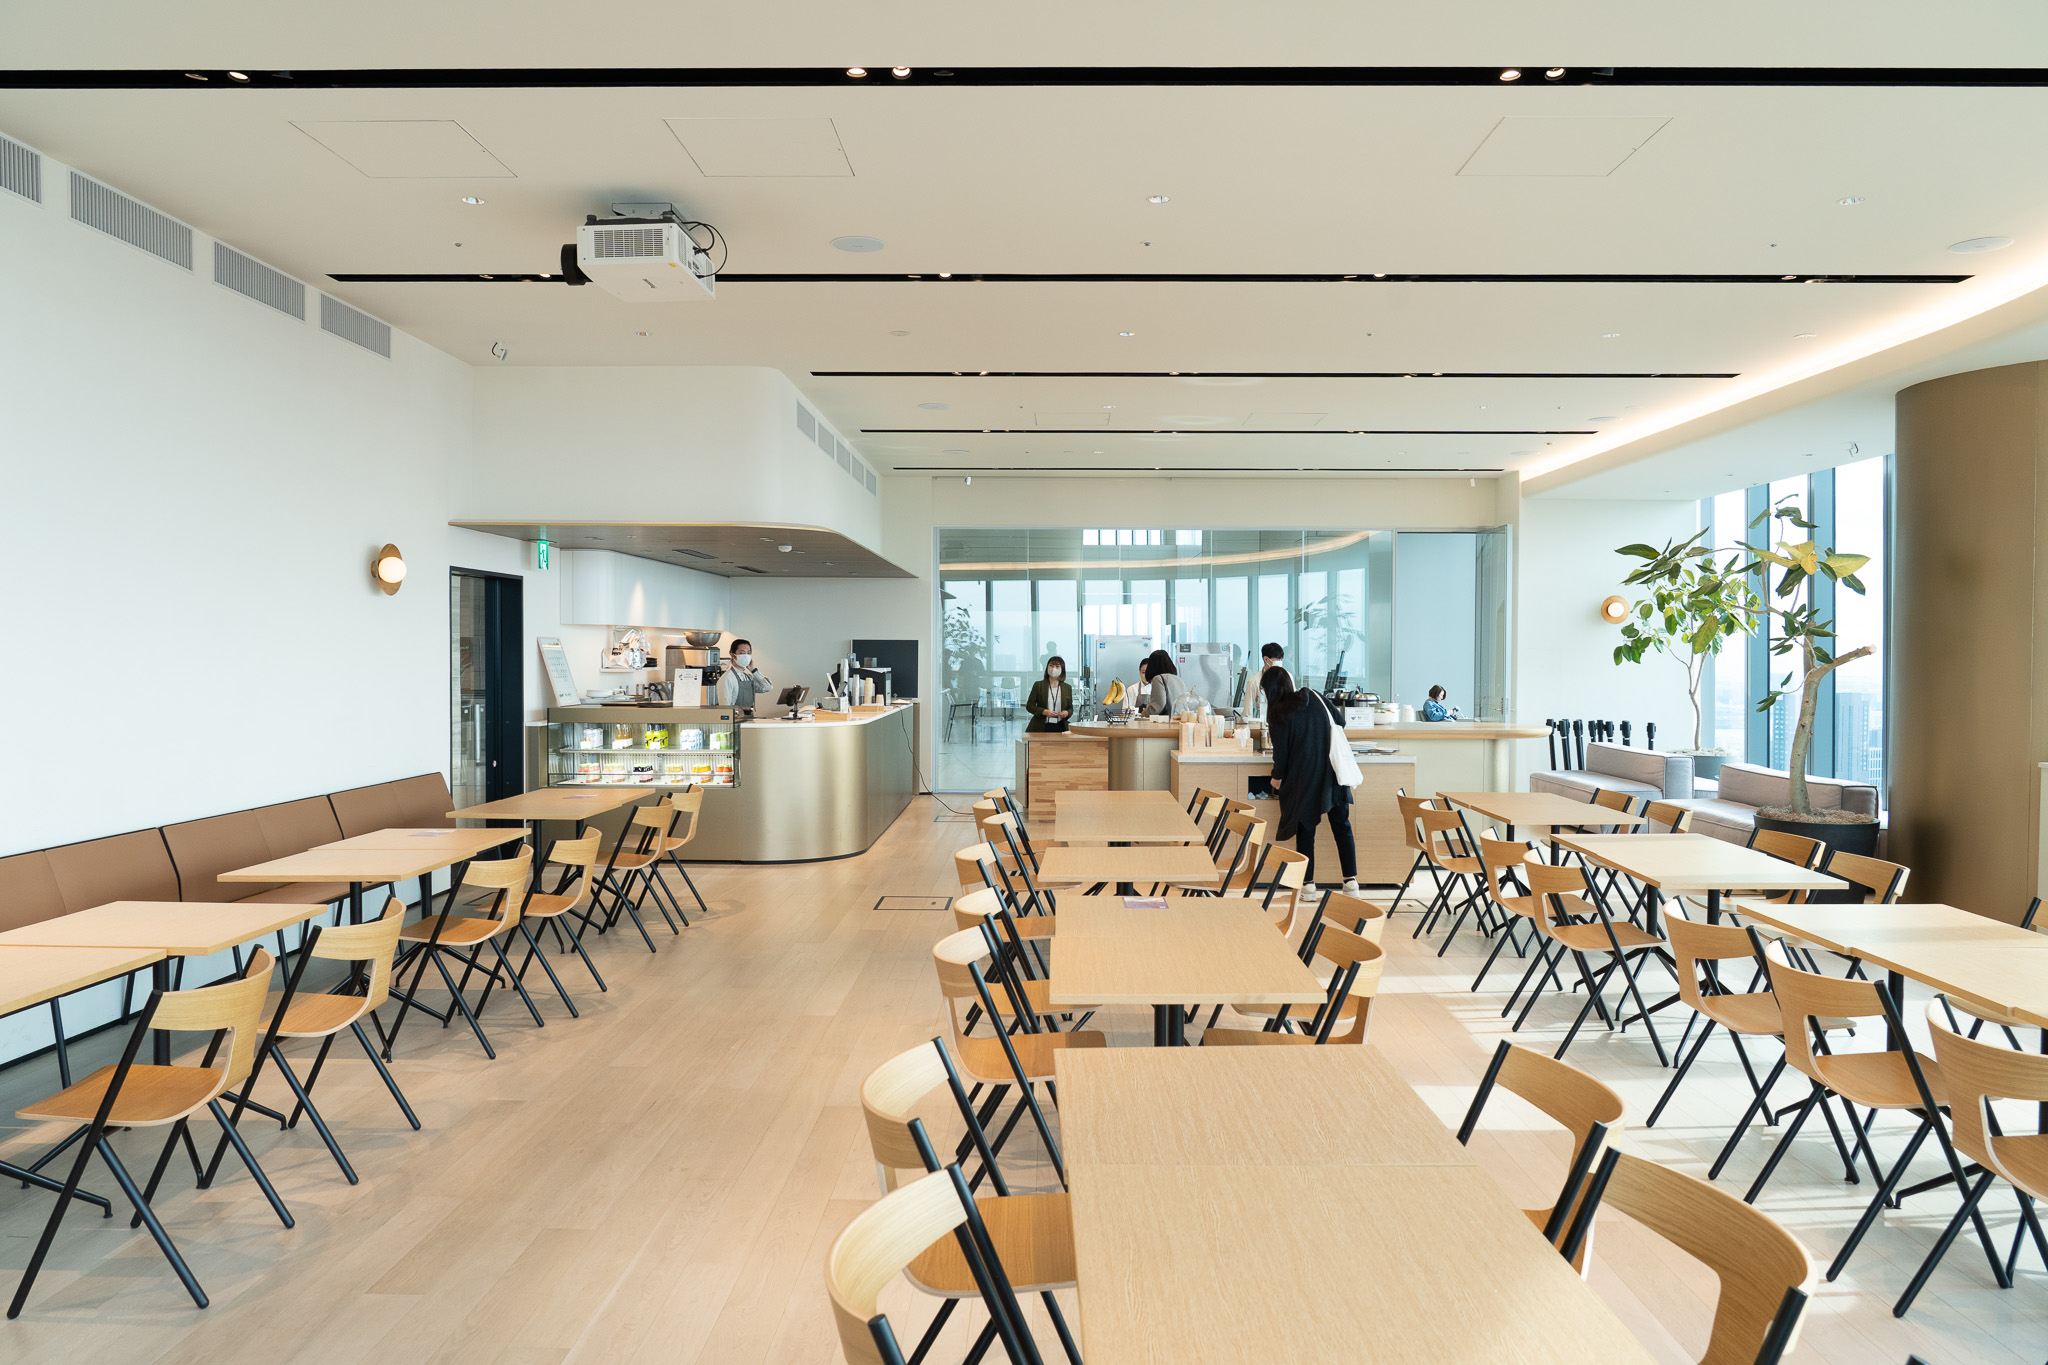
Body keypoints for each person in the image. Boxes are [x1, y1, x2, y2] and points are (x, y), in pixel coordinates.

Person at [1262, 666, 1359, 894]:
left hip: (1304, 777)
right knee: (1342, 826)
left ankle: (1308, 885)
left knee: (1306, 828)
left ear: (1271, 691)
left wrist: (1276, 778)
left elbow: (1281, 757)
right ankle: (1351, 882)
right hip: (1334, 772)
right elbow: (1340, 722)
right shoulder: (1315, 695)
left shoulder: (1278, 715)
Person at [718, 638, 773, 711]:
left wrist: (753, 670)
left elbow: (767, 687)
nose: (746, 656)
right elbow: (725, 707)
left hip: (749, 716)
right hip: (735, 717)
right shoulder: (727, 678)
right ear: (732, 655)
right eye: (742, 653)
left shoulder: (748, 677)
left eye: (748, 653)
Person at [1023, 656, 1073, 733]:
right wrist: (1044, 711)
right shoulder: (1038, 685)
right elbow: (1029, 706)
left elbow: (1070, 708)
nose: (1054, 669)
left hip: (1061, 726)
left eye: (1057, 666)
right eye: (1051, 665)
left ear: (1062, 669)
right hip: (1041, 727)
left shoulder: (1067, 687)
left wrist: (1067, 713)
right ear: (1047, 668)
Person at [1140, 649, 1188, 715]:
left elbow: (1157, 706)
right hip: (1179, 718)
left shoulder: (1158, 678)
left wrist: (1145, 712)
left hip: (1166, 719)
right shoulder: (1178, 679)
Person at [1250, 641, 1291, 718]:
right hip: (1263, 720)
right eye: (1277, 659)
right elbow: (1247, 711)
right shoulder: (1254, 681)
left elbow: (1293, 702)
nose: (1280, 662)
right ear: (1266, 659)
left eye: (1281, 659)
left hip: (1285, 719)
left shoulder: (1288, 676)